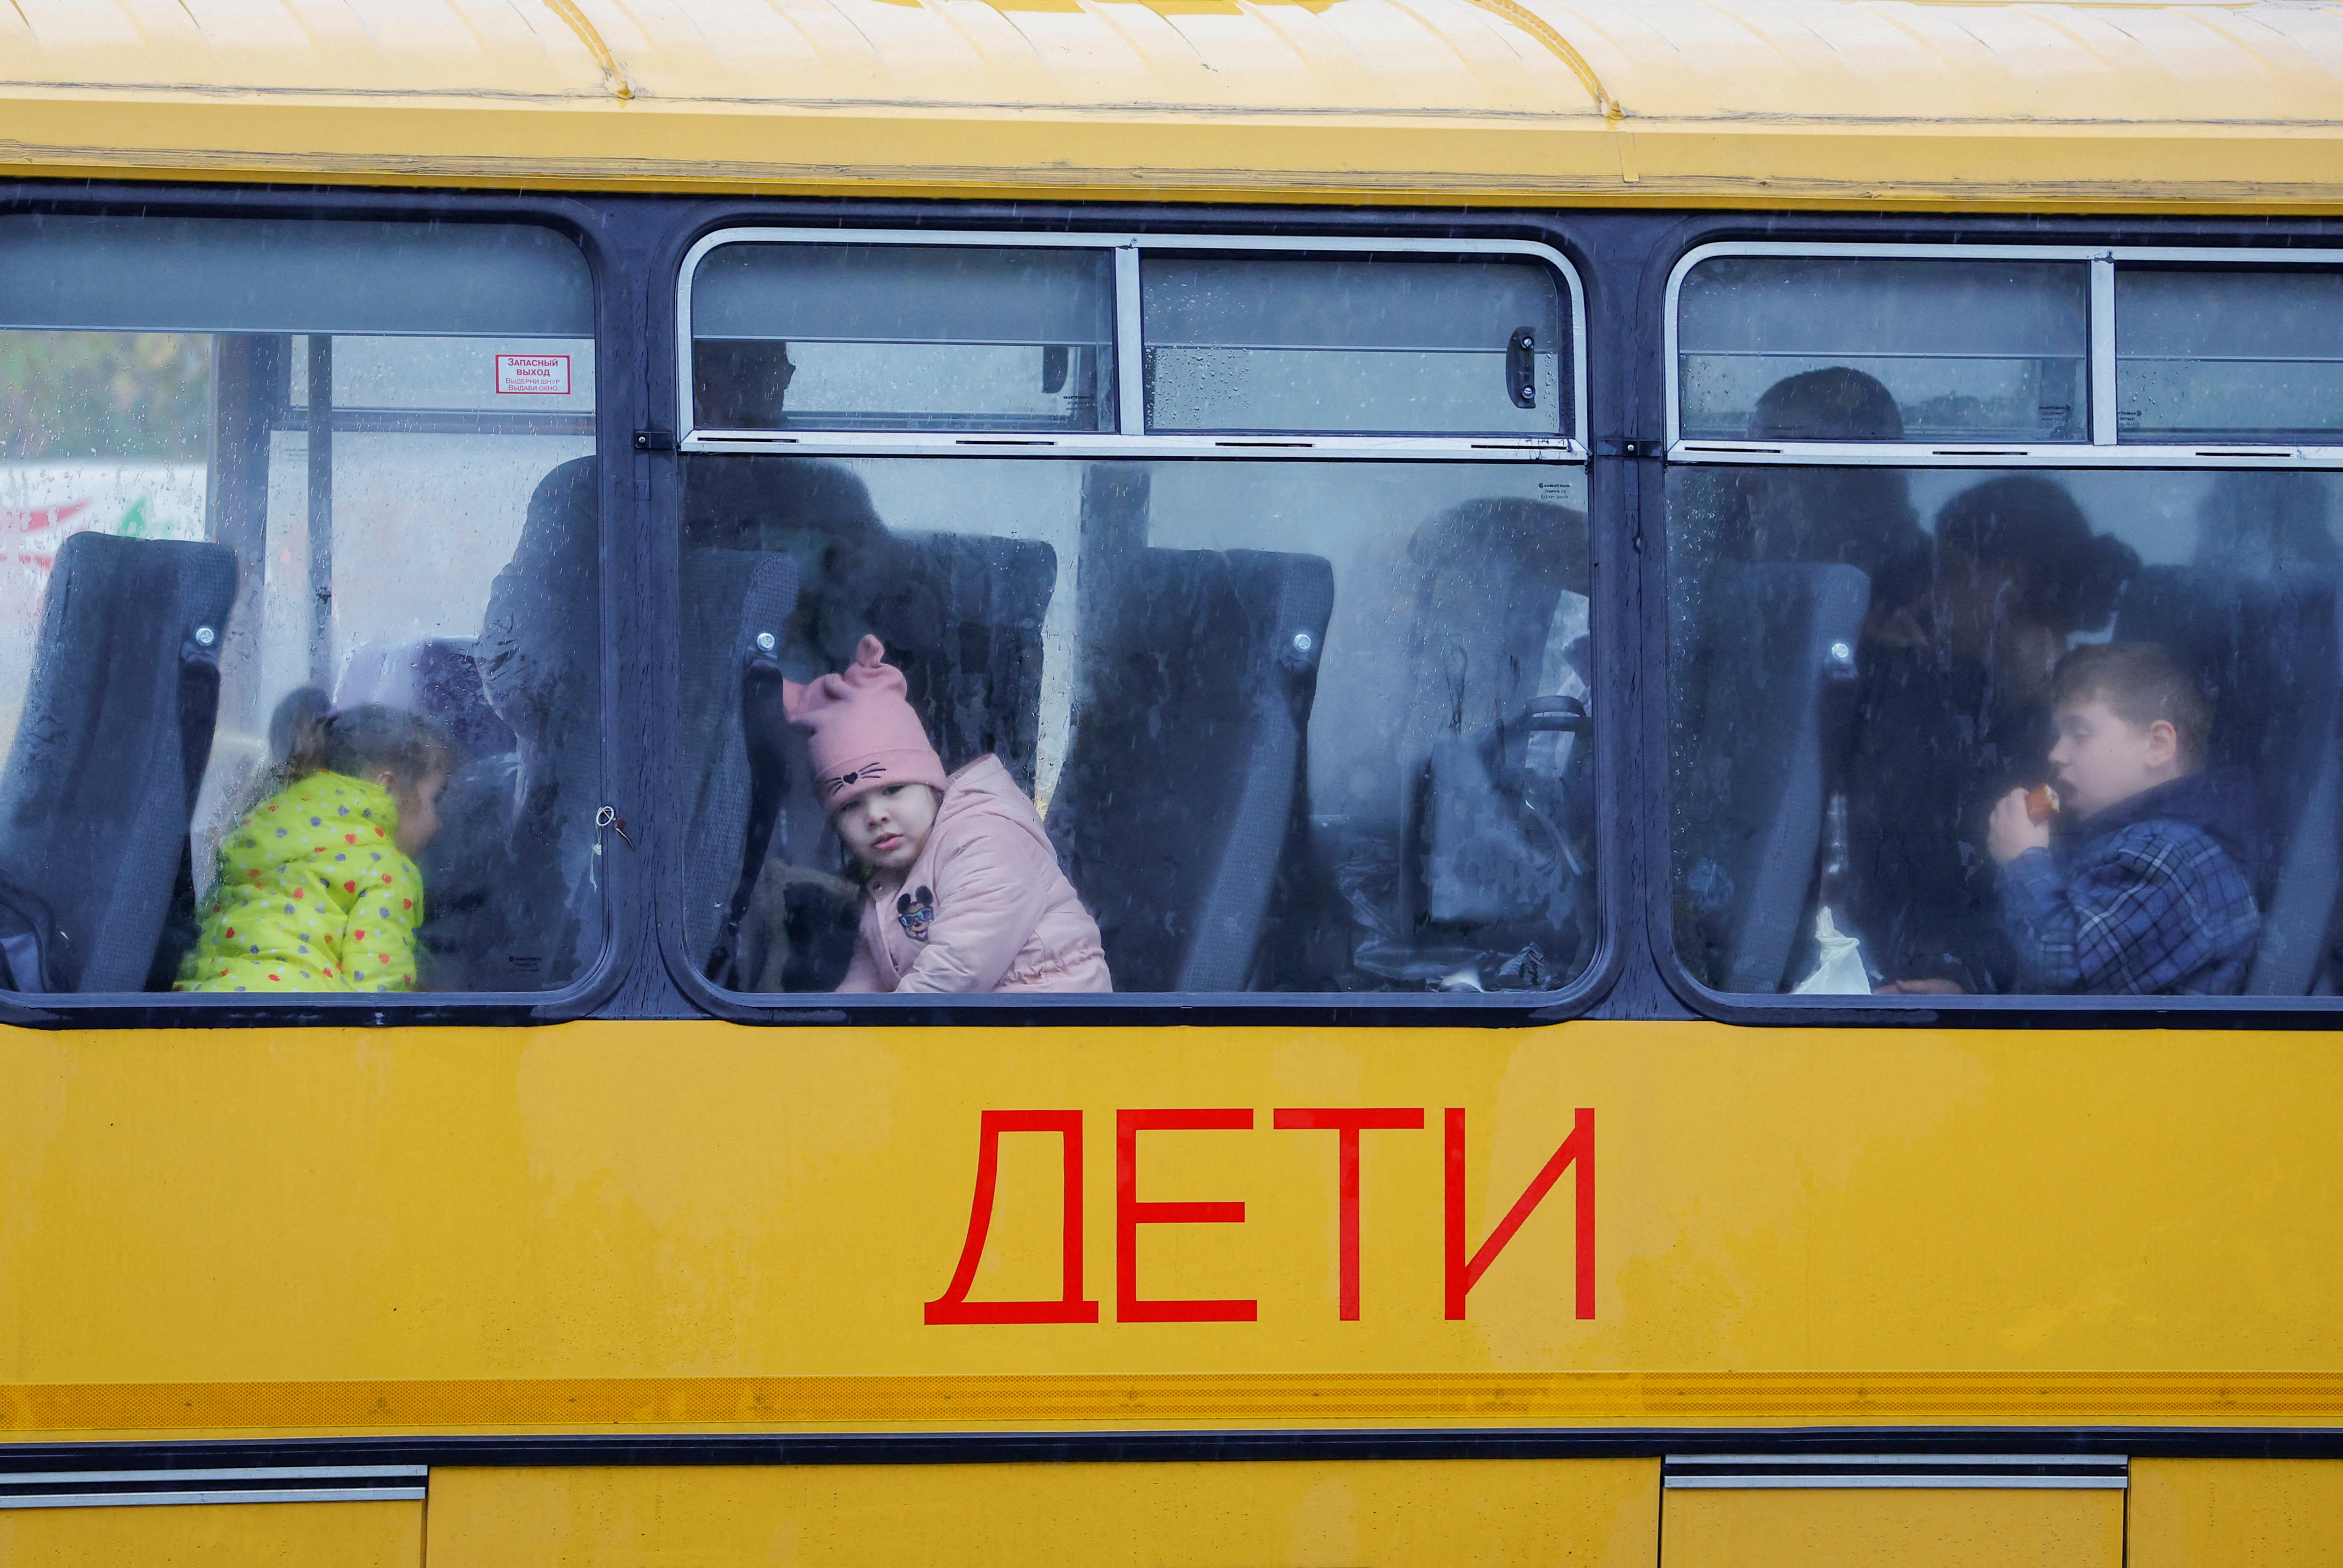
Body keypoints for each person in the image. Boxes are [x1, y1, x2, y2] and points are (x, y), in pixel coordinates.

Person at [1852, 476, 2139, 994]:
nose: (1931, 595)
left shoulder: (2079, 745)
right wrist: (1872, 658)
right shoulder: (1955, 695)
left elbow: (2058, 901)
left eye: (1950, 574)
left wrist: (1968, 978)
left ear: (2006, 583)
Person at [785, 634, 1110, 994]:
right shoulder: (886, 885)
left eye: (893, 790)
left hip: (1058, 1023)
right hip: (983, 1029)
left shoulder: (984, 840)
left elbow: (959, 968)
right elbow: (869, 982)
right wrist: (832, 1035)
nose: (875, 815)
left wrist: (881, 1036)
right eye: (850, 805)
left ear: (931, 785)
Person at [1988, 642, 2263, 996]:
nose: (2056, 754)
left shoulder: (2172, 856)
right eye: (2058, 736)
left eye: (2080, 733)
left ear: (2158, 745)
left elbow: (2066, 975)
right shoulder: (2131, 842)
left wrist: (2021, 861)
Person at [177, 703, 454, 993]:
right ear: (388, 788)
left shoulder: (261, 828)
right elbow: (379, 994)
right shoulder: (386, 867)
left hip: (202, 1003)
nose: (439, 825)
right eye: (436, 800)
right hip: (296, 1021)